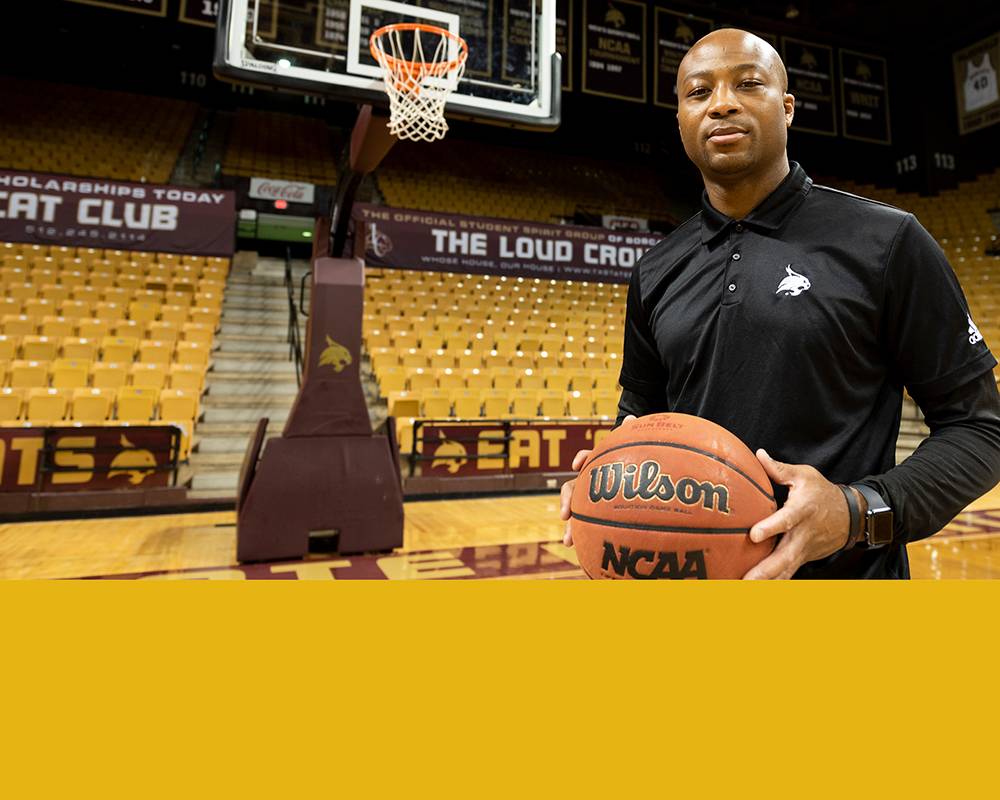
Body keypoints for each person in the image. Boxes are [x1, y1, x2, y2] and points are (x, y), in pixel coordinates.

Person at [559, 28, 1000, 579]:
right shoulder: (655, 269)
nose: (722, 103)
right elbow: (640, 416)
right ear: (679, 119)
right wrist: (610, 469)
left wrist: (857, 511)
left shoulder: (887, 242)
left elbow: (980, 429)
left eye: (748, 84)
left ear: (786, 107)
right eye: (698, 93)